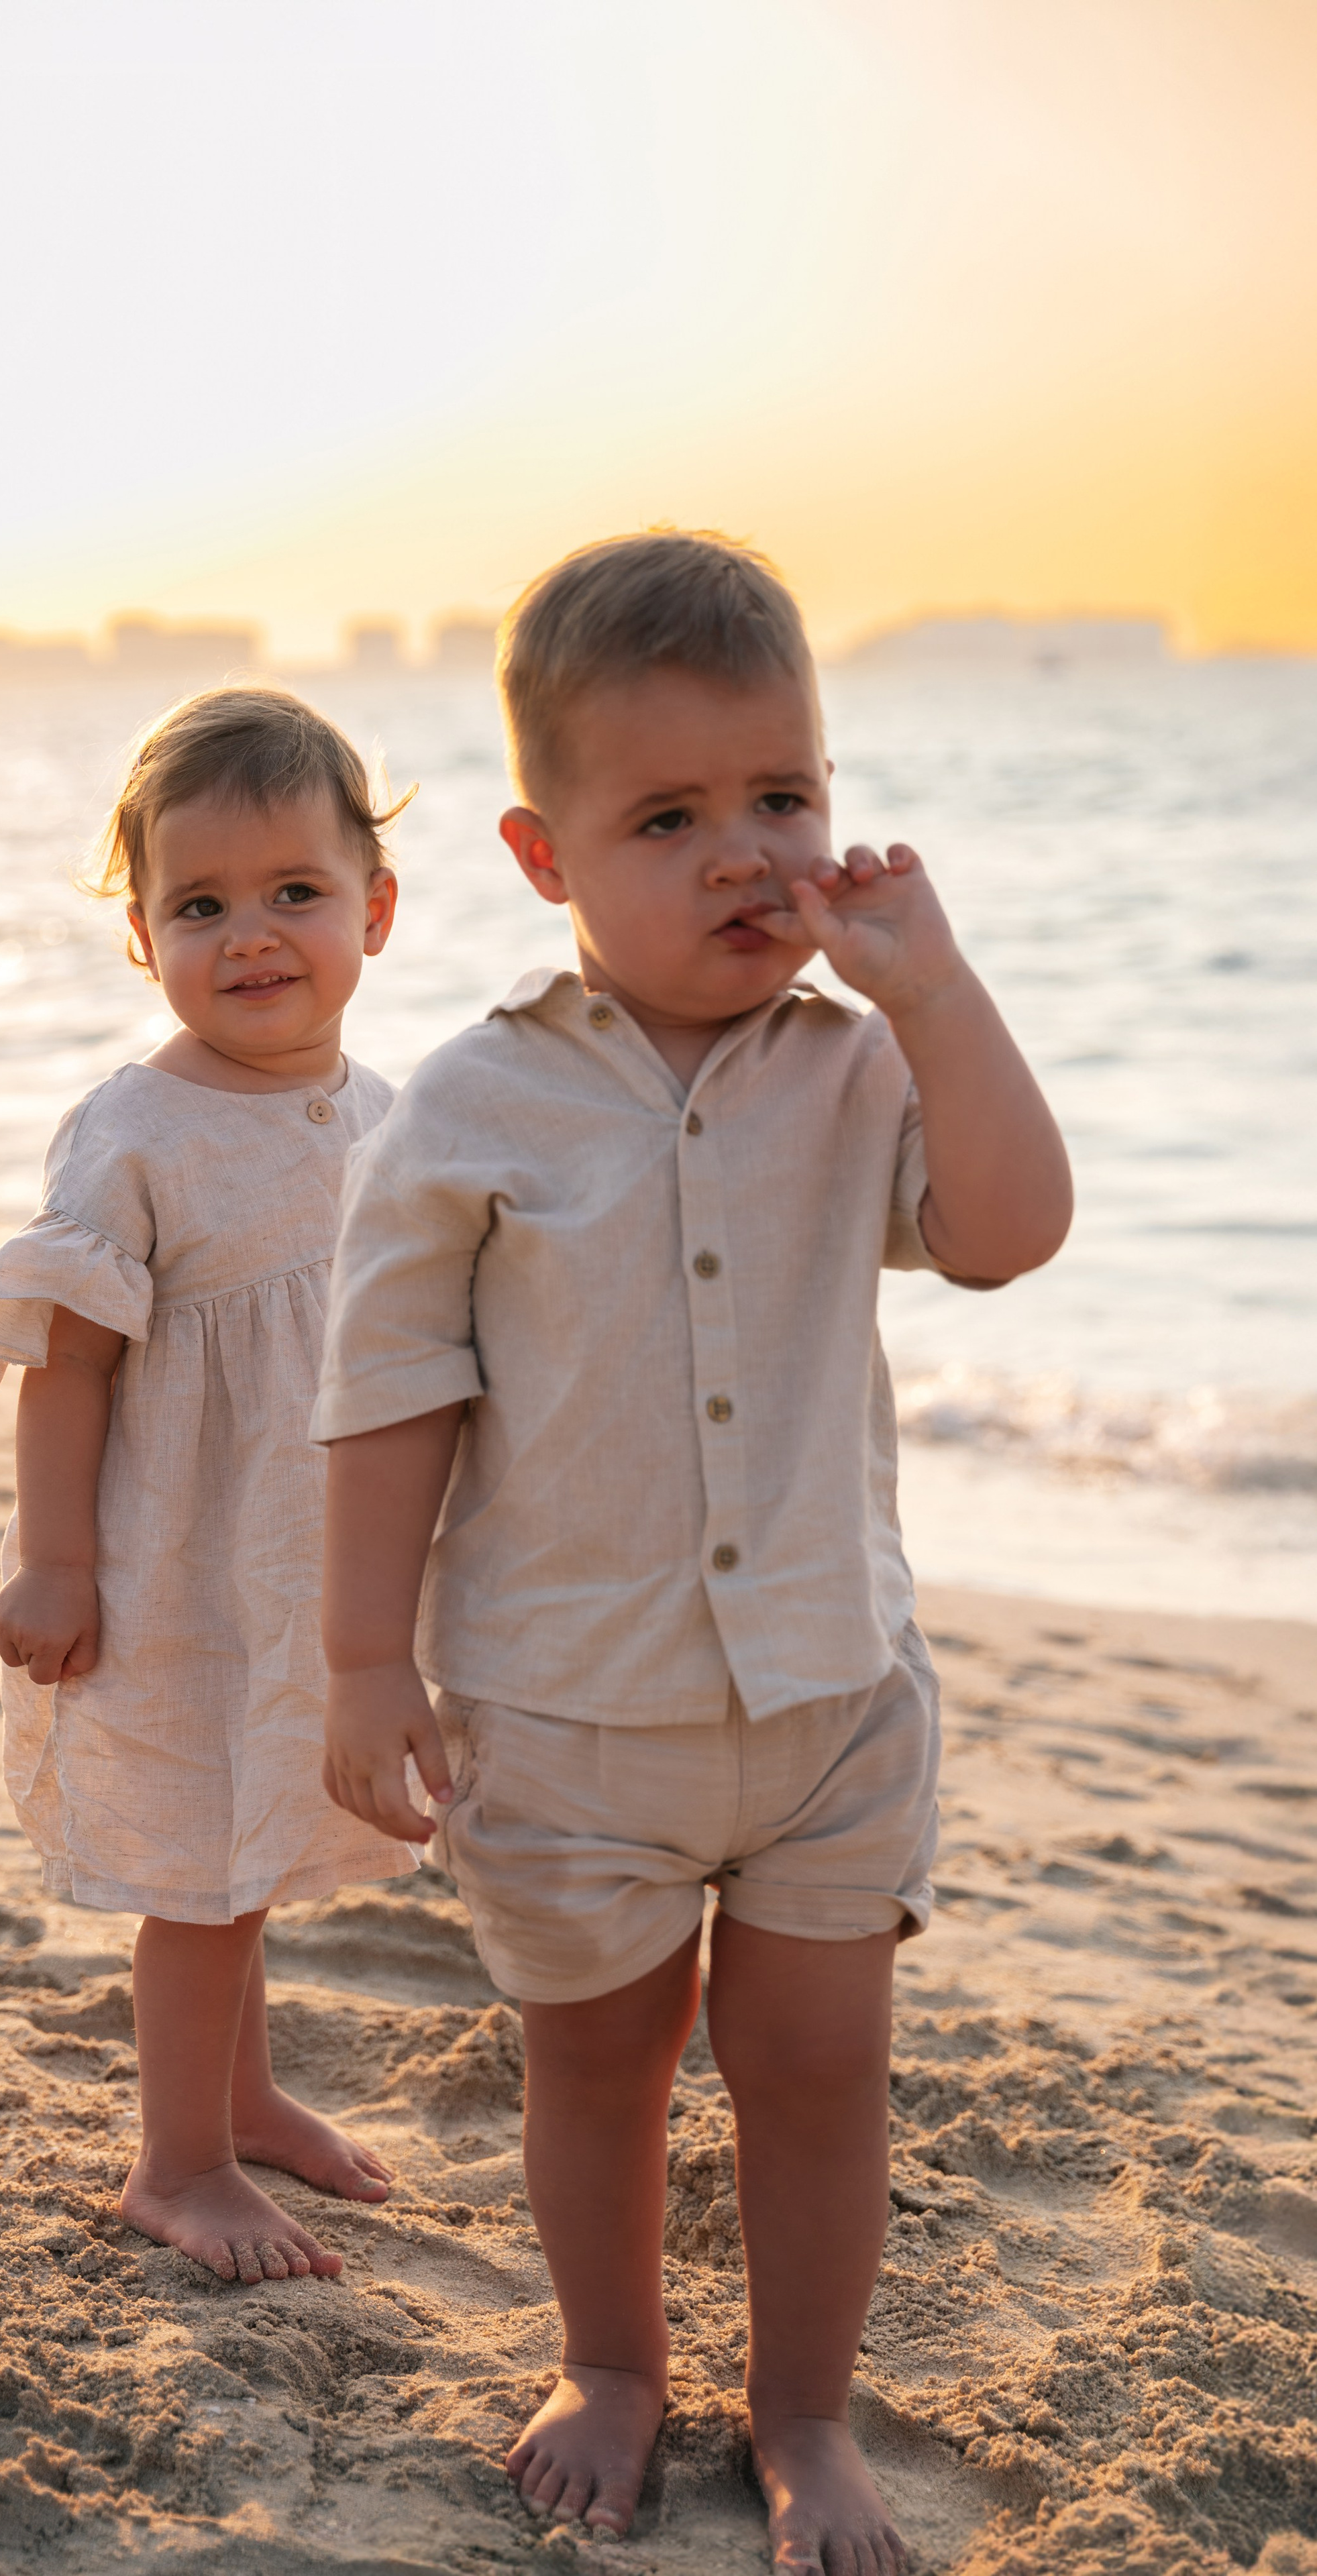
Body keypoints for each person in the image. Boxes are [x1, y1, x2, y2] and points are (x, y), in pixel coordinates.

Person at [314, 531, 1071, 2566]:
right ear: (546, 854)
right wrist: (365, 1663)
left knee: (821, 2077)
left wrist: (937, 986)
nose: (748, 854)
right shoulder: (475, 1104)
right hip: (569, 1716)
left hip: (831, 1697)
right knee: (604, 2072)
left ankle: (808, 2413)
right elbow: (391, 1395)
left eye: (786, 798)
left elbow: (1009, 1233)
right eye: (672, 817)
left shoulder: (859, 1067)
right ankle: (617, 2364)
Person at [0, 683, 411, 2286]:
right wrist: (57, 1564)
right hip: (173, 1561)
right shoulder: (135, 1134)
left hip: (302, 1559)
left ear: (377, 906)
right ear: (143, 937)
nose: (253, 933)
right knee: (203, 1877)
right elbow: (66, 1365)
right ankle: (179, 2162)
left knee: (259, 1838)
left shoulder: (386, 1112)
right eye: (199, 904)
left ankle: (247, 2095)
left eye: (296, 891)